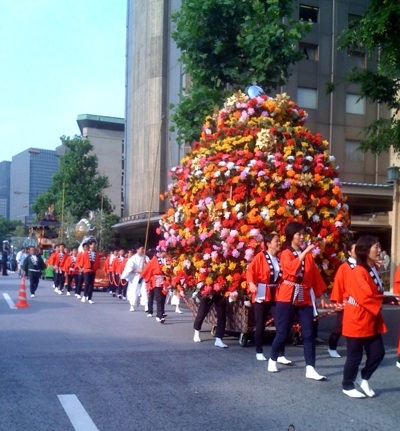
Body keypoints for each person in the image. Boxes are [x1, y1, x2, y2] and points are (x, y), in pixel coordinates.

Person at [268, 221, 327, 380]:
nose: (302, 237)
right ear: (291, 236)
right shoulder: (285, 253)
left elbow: (314, 275)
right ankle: (273, 358)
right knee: (283, 332)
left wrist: (320, 294)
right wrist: (303, 254)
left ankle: (310, 368)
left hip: (304, 296)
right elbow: (290, 270)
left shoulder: (307, 255)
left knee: (308, 333)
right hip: (287, 295)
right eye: (299, 234)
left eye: (303, 234)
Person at [341, 236, 388, 398]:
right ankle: (347, 385)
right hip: (357, 318)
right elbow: (365, 296)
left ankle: (364, 378)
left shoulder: (374, 267)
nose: (379, 250)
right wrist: (387, 299)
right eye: (376, 247)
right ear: (365, 250)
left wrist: (386, 298)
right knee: (355, 356)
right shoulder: (358, 271)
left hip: (370, 317)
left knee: (378, 353)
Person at [246, 232, 291, 364]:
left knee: (280, 324)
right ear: (268, 244)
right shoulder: (260, 257)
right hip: (262, 292)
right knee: (260, 323)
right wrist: (251, 283)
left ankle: (281, 354)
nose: (279, 243)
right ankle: (259, 350)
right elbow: (250, 271)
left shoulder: (279, 258)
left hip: (276, 293)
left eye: (279, 241)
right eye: (276, 241)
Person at [327, 239, 357, 358]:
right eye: (355, 249)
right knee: (341, 326)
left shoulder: (363, 265)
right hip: (346, 301)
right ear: (349, 252)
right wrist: (338, 302)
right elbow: (338, 284)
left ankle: (355, 347)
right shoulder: (344, 267)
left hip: (359, 302)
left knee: (357, 326)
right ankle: (332, 346)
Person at [141, 248, 169, 322]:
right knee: (158, 297)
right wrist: (142, 276)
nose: (166, 254)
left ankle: (162, 312)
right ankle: (158, 315)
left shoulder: (168, 260)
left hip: (165, 279)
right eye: (165, 252)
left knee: (163, 297)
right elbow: (148, 268)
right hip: (157, 279)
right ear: (161, 252)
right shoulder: (155, 259)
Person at [121, 245, 149, 312]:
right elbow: (129, 269)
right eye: (141, 249)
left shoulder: (146, 257)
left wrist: (145, 263)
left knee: (145, 290)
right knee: (134, 290)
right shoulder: (133, 258)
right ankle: (132, 305)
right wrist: (138, 271)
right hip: (135, 277)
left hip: (144, 277)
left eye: (143, 249)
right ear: (137, 250)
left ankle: (146, 305)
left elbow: (149, 267)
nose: (142, 250)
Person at [79, 239, 101, 304]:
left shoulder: (96, 254)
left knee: (91, 284)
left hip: (93, 270)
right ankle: (84, 295)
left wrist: (96, 269)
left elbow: (97, 263)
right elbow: (81, 262)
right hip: (86, 270)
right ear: (90, 245)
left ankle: (90, 298)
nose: (94, 246)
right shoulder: (85, 253)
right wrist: (81, 268)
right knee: (87, 283)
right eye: (93, 244)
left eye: (95, 244)